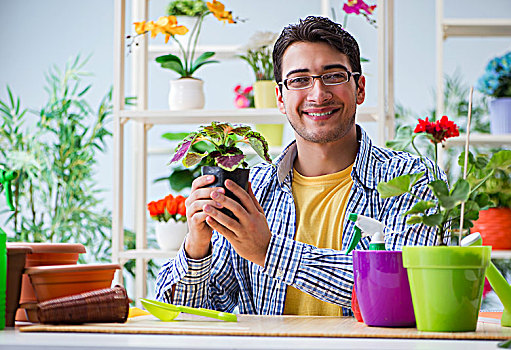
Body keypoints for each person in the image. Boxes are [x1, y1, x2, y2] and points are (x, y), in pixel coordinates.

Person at [155, 16, 444, 316]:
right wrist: (197, 247)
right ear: (280, 98)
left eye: (333, 76)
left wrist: (269, 251)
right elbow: (187, 316)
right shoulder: (252, 192)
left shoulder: (413, 179)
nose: (318, 94)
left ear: (359, 88)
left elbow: (404, 289)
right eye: (299, 80)